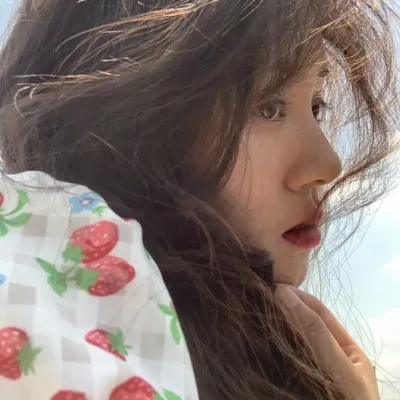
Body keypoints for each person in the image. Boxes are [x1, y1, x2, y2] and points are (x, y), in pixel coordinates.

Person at [0, 0, 398, 399]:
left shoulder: (244, 348)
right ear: (132, 128)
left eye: (317, 107)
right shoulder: (35, 287)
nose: (328, 164)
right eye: (268, 107)